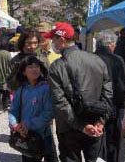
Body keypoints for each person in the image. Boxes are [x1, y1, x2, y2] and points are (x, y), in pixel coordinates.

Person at [44, 22, 113, 162]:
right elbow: (108, 94)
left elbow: (60, 102)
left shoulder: (57, 67)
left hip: (68, 127)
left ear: (61, 39)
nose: (52, 42)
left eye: (53, 39)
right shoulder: (97, 60)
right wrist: (101, 121)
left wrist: (81, 126)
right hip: (95, 123)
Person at [8, 56, 58, 162]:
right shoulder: (21, 90)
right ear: (23, 72)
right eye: (30, 67)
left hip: (43, 136)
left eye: (37, 66)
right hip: (25, 136)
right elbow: (13, 110)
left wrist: (28, 124)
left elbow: (49, 112)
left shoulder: (46, 88)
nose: (35, 69)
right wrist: (15, 125)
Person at [95, 33, 125, 162]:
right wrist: (121, 107)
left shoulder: (90, 57)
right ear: (110, 46)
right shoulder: (117, 60)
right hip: (112, 107)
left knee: (94, 141)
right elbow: (121, 87)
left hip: (92, 106)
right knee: (111, 143)